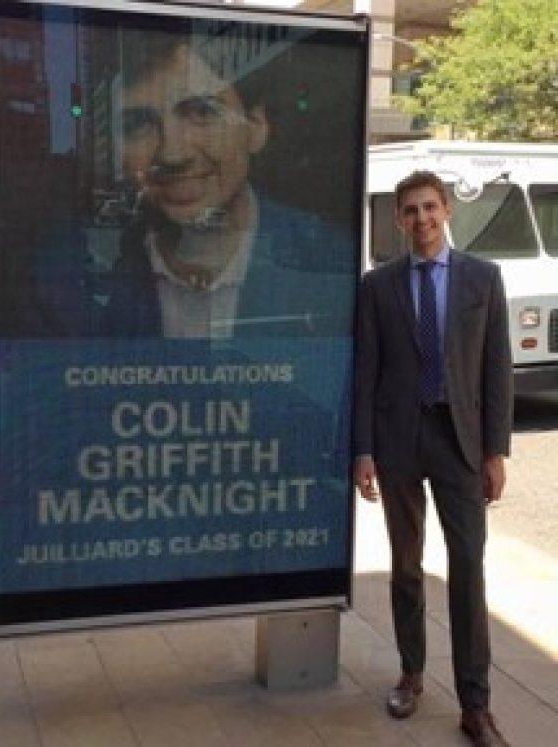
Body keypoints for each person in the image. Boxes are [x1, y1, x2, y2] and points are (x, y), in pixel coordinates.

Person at [353, 170, 513, 746]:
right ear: (398, 220)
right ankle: (411, 674)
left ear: (445, 210)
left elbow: (497, 368)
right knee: (405, 564)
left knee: (468, 568)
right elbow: (366, 371)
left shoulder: (483, 279)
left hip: (460, 441)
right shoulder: (378, 286)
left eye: (429, 207)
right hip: (399, 439)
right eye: (410, 211)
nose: (420, 219)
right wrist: (364, 449)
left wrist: (496, 451)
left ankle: (476, 706)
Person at [103, 26, 354, 338]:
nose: (172, 153)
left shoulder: (330, 263)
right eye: (139, 124)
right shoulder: (96, 280)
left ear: (256, 126)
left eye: (200, 111)